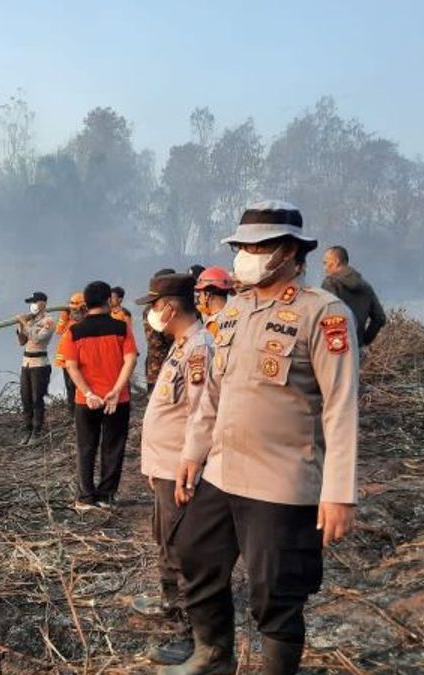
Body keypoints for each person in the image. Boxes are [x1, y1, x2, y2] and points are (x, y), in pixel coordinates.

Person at [171, 200, 359, 674]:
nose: (248, 255)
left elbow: (341, 405)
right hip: (222, 471)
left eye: (260, 246)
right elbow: (212, 392)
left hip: (282, 480)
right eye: (243, 246)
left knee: (276, 590)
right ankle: (212, 654)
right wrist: (193, 452)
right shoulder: (231, 312)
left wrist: (338, 492)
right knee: (195, 555)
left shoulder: (323, 313)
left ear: (291, 252)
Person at [130, 273, 213, 666]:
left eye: (155, 304)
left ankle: (190, 634)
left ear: (172, 305)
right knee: (165, 542)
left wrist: (187, 466)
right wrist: (154, 464)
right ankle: (170, 605)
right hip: (164, 467)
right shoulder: (181, 346)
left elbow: (202, 413)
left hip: (179, 470)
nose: (151, 312)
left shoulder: (199, 347)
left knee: (183, 552)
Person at [59, 281, 139, 511]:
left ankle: (85, 498)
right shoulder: (121, 328)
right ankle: (106, 495)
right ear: (108, 301)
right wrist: (116, 390)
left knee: (86, 447)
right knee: (113, 446)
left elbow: (71, 366)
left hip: (86, 401)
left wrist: (88, 392)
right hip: (117, 400)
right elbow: (130, 360)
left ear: (85, 304)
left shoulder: (74, 331)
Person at [321, 245, 387, 347]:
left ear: (336, 262)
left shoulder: (330, 283)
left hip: (334, 348)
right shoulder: (366, 286)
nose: (324, 268)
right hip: (356, 349)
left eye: (325, 263)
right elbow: (379, 318)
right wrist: (363, 341)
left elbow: (329, 317)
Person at [16, 291, 56, 445]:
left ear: (43, 303)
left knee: (36, 398)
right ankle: (27, 429)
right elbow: (22, 341)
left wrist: (25, 323)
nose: (32, 305)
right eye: (30, 303)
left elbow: (38, 337)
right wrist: (21, 324)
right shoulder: (30, 321)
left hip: (39, 364)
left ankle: (36, 431)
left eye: (35, 302)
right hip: (26, 363)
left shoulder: (48, 321)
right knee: (25, 397)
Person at [144, 269, 178, 395]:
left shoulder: (181, 306)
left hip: (169, 366)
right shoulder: (152, 311)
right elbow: (156, 344)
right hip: (160, 368)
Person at [54, 292, 86, 415]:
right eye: (71, 304)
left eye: (76, 304)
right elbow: (58, 330)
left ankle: (78, 409)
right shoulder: (68, 319)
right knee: (69, 386)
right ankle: (71, 410)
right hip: (65, 359)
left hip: (78, 359)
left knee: (75, 384)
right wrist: (65, 314)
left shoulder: (86, 319)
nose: (73, 307)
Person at [194, 266, 234, 338]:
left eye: (200, 294)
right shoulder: (235, 316)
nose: (199, 298)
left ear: (207, 295)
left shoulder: (213, 324)